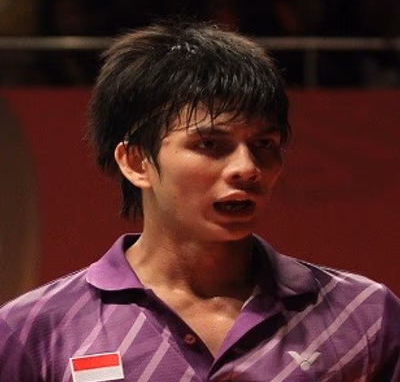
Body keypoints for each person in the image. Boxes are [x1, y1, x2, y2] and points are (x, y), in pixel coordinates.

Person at [1, 20, 399, 382]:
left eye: (264, 144)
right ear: (136, 161)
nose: (247, 168)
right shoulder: (33, 330)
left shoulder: (365, 317)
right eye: (211, 144)